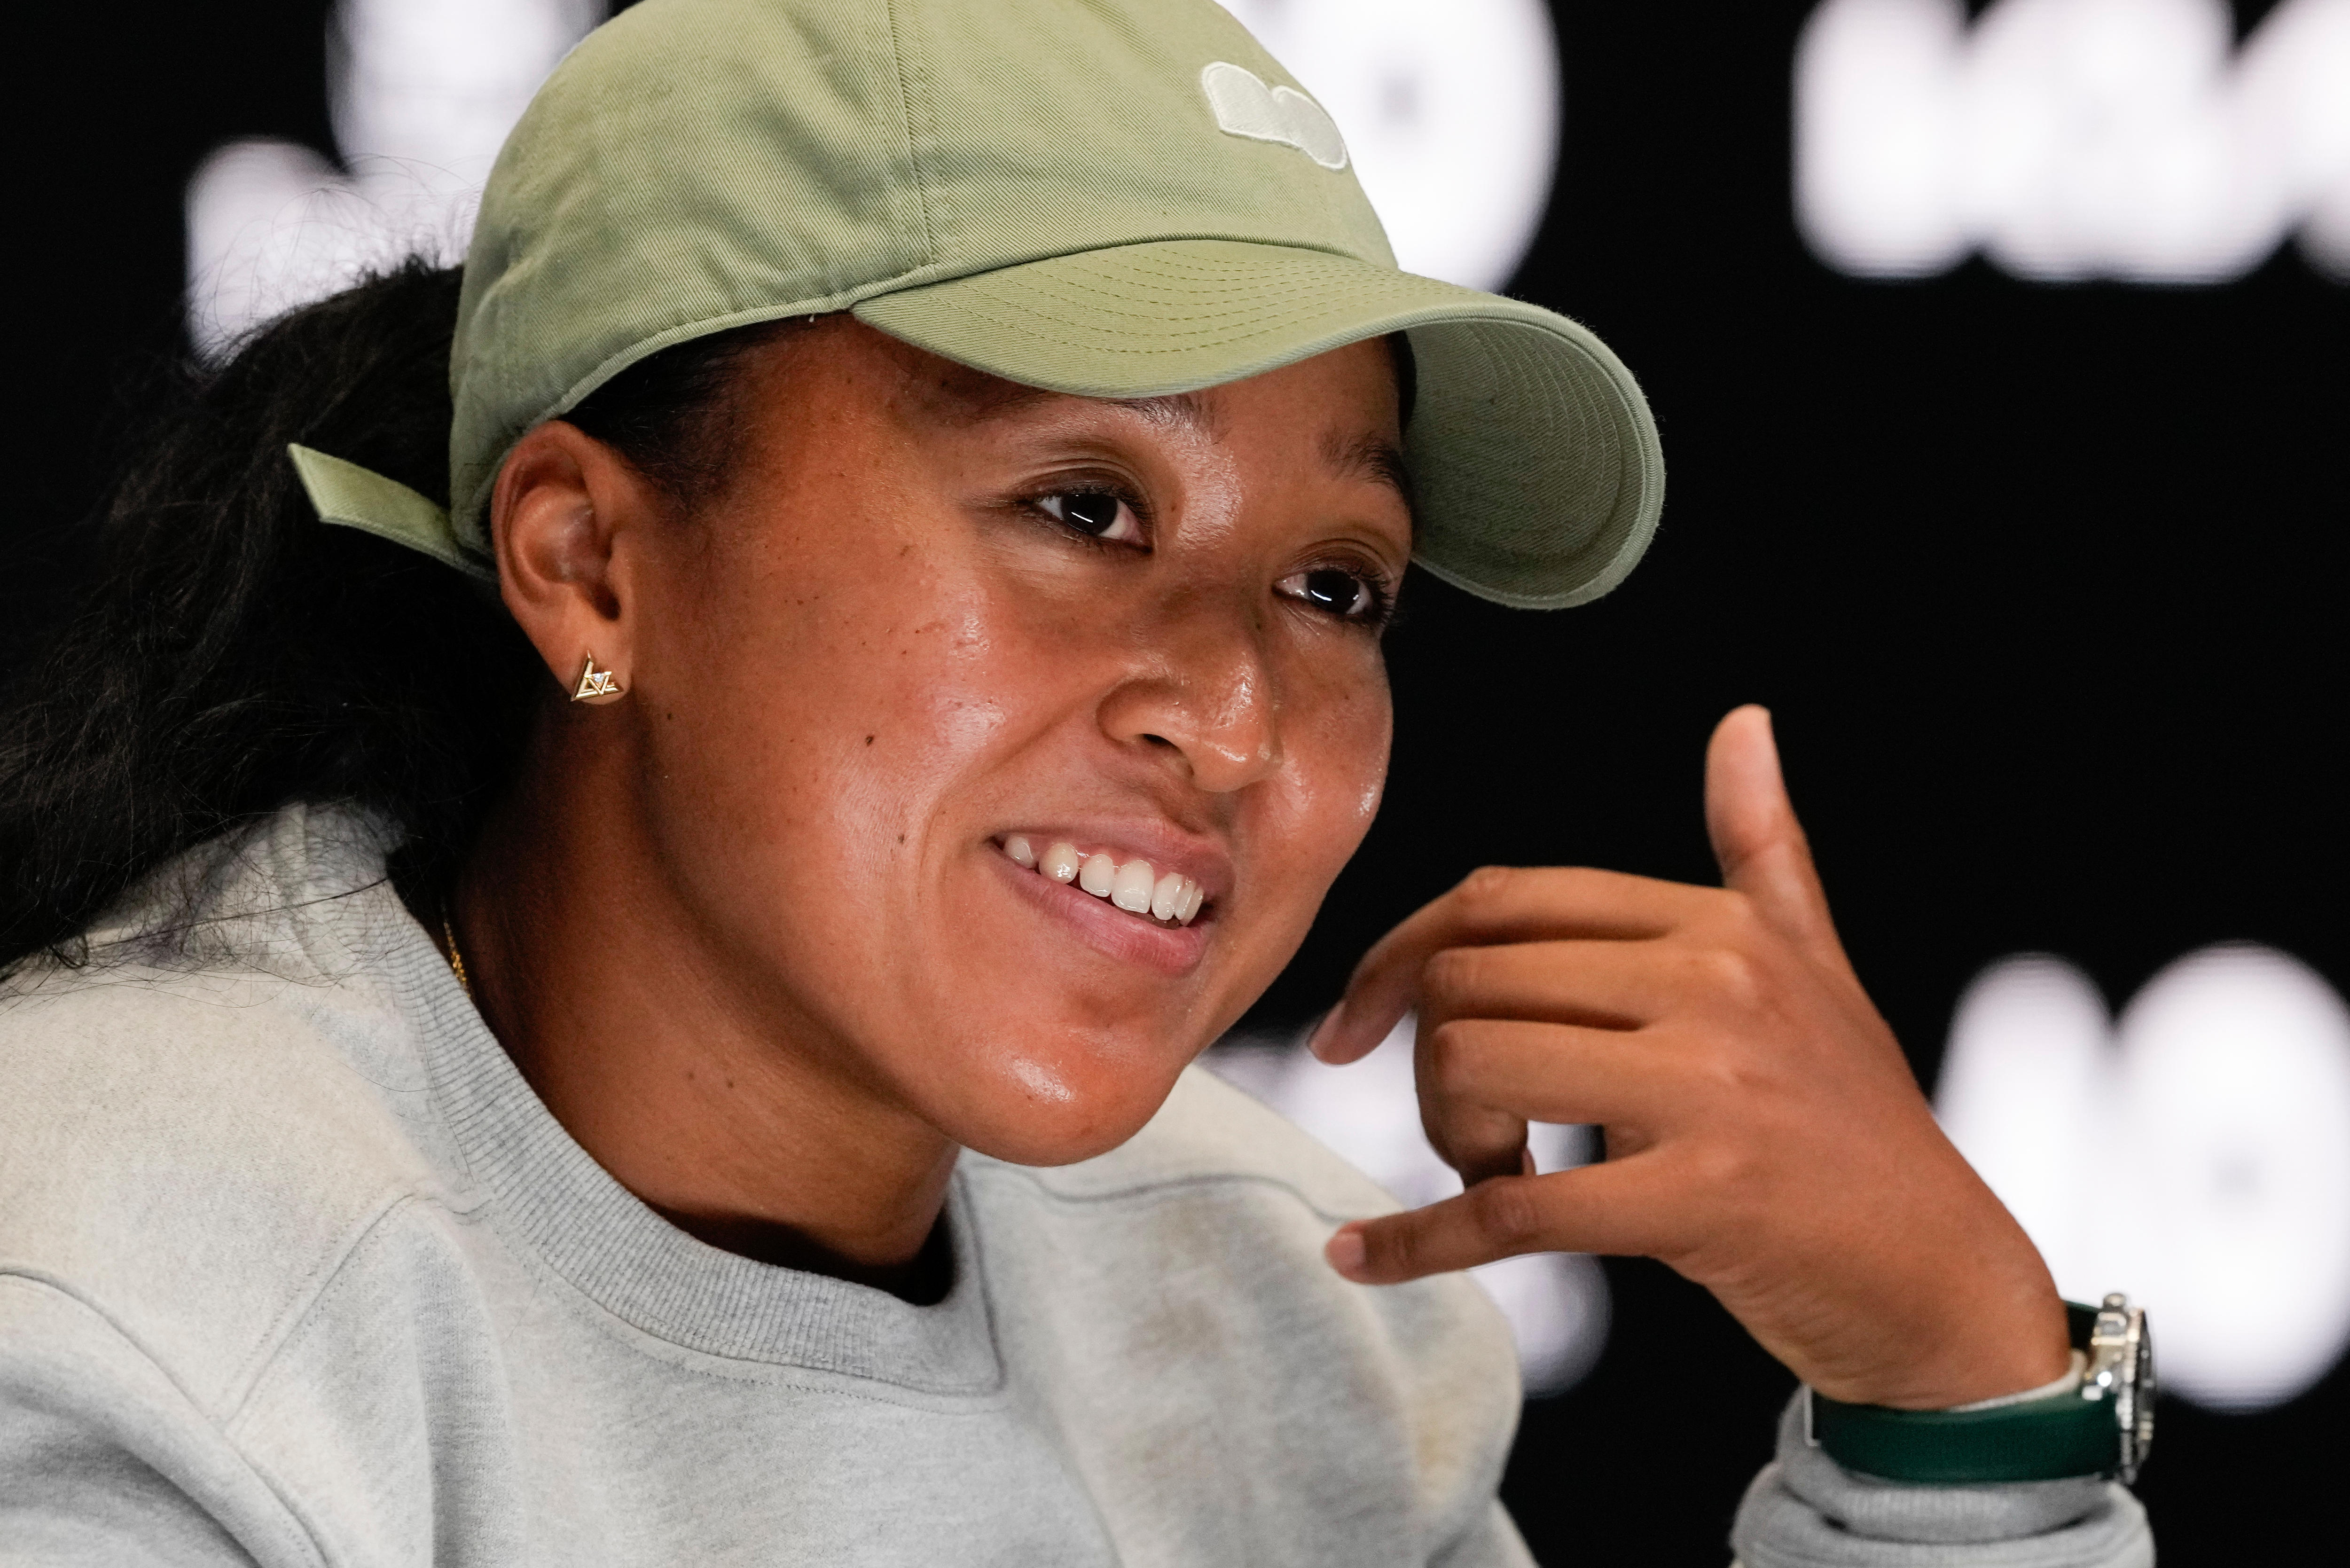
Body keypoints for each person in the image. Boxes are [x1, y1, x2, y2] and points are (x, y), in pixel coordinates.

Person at [0, 1, 2151, 1563]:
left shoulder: (1288, 1325)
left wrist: (1949, 1401)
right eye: (1082, 507)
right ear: (589, 557)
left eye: (1333, 582)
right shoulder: (101, 1291)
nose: (1229, 722)